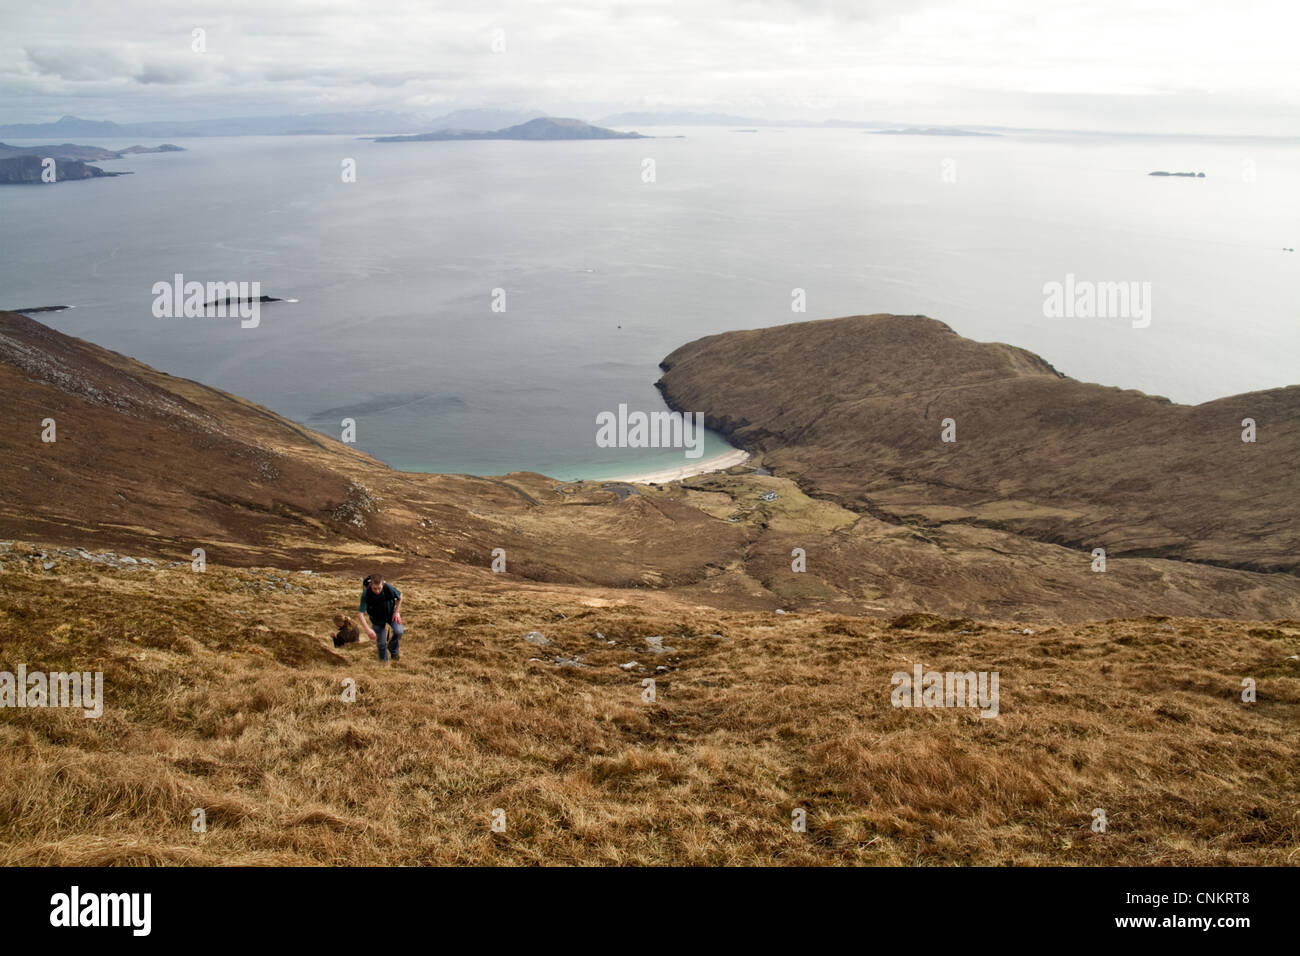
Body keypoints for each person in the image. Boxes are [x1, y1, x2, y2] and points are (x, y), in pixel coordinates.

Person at [358, 573, 403, 662]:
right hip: (376, 619)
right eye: (375, 588)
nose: (377, 591)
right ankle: (383, 663)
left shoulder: (388, 588)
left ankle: (393, 649)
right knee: (381, 644)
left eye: (379, 588)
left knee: (399, 632)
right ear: (371, 585)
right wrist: (368, 630)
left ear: (382, 584)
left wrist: (397, 612)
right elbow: (360, 614)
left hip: (391, 614)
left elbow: (400, 596)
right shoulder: (366, 594)